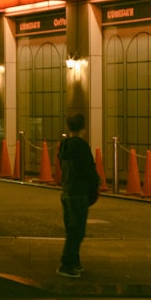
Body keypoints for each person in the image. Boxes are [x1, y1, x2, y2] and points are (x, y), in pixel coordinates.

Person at [56, 113, 101, 278]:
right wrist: (96, 183)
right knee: (77, 231)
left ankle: (74, 262)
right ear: (84, 128)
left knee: (71, 229)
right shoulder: (81, 146)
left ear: (68, 127)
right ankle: (67, 264)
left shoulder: (64, 145)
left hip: (66, 191)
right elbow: (88, 169)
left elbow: (62, 166)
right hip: (79, 192)